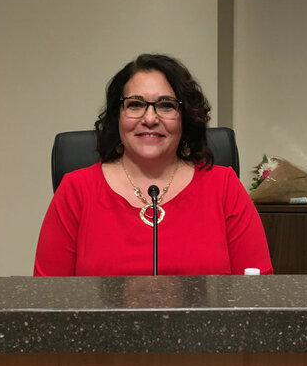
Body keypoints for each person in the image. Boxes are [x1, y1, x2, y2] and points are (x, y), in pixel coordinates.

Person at [34, 53, 272, 276]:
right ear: (118, 115)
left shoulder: (224, 187)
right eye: (135, 104)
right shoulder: (76, 190)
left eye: (166, 105)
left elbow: (257, 292)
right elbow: (49, 300)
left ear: (185, 117)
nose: (149, 119)